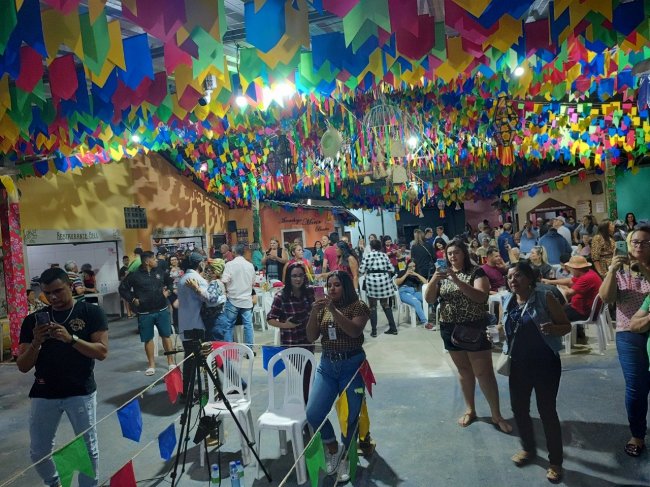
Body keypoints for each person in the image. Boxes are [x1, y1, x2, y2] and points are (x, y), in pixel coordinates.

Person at [17, 267, 109, 487]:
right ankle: (54, 482)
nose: (53, 297)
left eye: (58, 291)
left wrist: (71, 339)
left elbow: (102, 352)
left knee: (88, 448)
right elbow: (22, 366)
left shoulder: (90, 312)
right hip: (43, 391)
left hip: (80, 391)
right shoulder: (32, 322)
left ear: (71, 286)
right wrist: (37, 343)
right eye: (48, 293)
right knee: (39, 450)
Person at [425, 239, 511, 433]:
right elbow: (430, 299)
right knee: (464, 372)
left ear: (464, 253)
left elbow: (481, 296)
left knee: (484, 373)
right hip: (449, 328)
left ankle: (496, 414)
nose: (452, 256)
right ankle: (470, 409)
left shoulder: (476, 272)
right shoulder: (441, 275)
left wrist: (456, 280)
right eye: (449, 253)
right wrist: (434, 280)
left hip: (473, 327)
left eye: (456, 252)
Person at [502, 262, 571, 483]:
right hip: (518, 365)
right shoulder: (508, 300)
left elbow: (566, 326)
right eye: (510, 276)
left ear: (530, 278)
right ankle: (528, 449)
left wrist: (553, 328)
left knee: (547, 412)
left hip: (545, 364)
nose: (513, 280)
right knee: (519, 409)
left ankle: (555, 462)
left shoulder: (544, 297)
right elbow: (508, 329)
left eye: (518, 275)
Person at [305, 271, 370, 483]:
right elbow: (311, 336)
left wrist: (333, 310)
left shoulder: (358, 306)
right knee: (314, 413)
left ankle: (347, 457)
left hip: (352, 365)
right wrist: (315, 313)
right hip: (327, 365)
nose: (332, 289)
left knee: (350, 417)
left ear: (346, 287)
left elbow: (354, 331)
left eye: (337, 285)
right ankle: (333, 448)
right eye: (329, 285)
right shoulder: (323, 306)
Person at [600, 225, 650, 457]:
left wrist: (646, 270)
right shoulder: (619, 271)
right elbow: (607, 298)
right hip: (628, 332)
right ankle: (637, 435)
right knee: (637, 386)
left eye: (645, 242)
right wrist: (611, 270)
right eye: (635, 242)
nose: (639, 246)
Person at [118, 251, 175, 375]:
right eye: (154, 259)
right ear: (147, 261)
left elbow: (170, 281)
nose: (156, 261)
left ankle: (171, 362)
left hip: (162, 310)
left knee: (166, 336)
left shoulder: (159, 271)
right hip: (145, 313)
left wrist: (168, 292)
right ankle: (151, 365)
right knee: (148, 339)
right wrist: (133, 299)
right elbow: (123, 289)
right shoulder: (134, 275)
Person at [177, 252, 222, 396]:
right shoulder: (196, 279)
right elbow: (211, 299)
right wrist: (223, 297)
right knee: (210, 358)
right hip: (197, 325)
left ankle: (186, 392)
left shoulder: (183, 278)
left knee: (189, 360)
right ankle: (217, 390)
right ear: (200, 264)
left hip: (185, 324)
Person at [543, 255, 602, 344]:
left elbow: (568, 294)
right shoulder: (588, 273)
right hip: (582, 308)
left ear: (576, 268)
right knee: (556, 310)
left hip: (582, 312)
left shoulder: (586, 278)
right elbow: (570, 281)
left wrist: (562, 288)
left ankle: (551, 341)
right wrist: (550, 282)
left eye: (570, 268)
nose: (569, 270)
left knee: (551, 314)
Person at [267, 262, 315, 350]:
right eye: (294, 276)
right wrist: (285, 325)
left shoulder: (309, 292)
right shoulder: (281, 296)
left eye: (301, 275)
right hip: (290, 342)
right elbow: (270, 319)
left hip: (308, 341)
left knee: (309, 363)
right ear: (289, 278)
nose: (298, 279)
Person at [214, 244, 256, 343]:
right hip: (246, 299)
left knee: (228, 325)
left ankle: (230, 350)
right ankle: (249, 349)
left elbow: (224, 280)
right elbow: (253, 282)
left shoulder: (229, 265)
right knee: (248, 325)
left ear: (234, 252)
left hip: (233, 299)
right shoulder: (250, 265)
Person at [359, 239, 398, 336]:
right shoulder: (384, 255)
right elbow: (391, 268)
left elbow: (361, 270)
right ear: (380, 247)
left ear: (371, 247)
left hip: (371, 283)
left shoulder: (367, 256)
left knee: (372, 307)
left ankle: (374, 331)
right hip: (384, 281)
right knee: (385, 304)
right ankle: (393, 328)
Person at [395, 259, 430, 328]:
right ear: (407, 266)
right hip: (404, 291)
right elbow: (397, 282)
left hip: (414, 292)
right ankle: (425, 323)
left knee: (427, 298)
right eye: (410, 266)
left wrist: (416, 274)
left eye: (414, 266)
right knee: (417, 302)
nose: (412, 268)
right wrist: (406, 274)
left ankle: (420, 315)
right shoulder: (402, 272)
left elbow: (426, 282)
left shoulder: (416, 274)